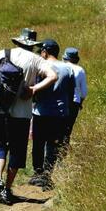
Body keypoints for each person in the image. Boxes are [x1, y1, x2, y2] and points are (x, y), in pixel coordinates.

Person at [0, 28, 57, 205]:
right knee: (17, 151)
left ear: (17, 41)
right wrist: (33, 89)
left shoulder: (2, 53)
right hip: (22, 113)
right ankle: (7, 189)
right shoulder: (36, 59)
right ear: (32, 45)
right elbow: (53, 76)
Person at [28, 40, 75, 191]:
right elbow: (71, 92)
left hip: (41, 112)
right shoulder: (68, 69)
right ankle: (47, 175)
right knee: (53, 144)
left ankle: (37, 173)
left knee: (38, 143)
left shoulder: (42, 67)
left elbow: (36, 91)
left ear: (45, 52)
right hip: (60, 113)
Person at [61, 47, 87, 145]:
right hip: (74, 103)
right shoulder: (80, 70)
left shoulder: (60, 67)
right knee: (67, 130)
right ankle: (63, 152)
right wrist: (80, 102)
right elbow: (84, 92)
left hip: (59, 101)